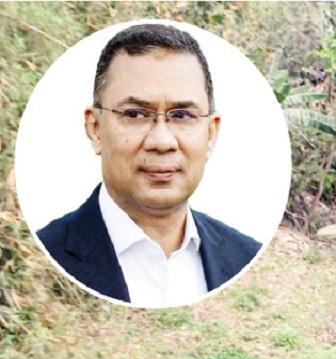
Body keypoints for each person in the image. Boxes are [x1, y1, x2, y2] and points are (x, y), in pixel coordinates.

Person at [35, 23, 261, 307]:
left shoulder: (244, 256)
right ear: (95, 129)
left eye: (182, 115)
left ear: (210, 134)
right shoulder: (40, 259)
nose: (162, 141)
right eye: (135, 114)